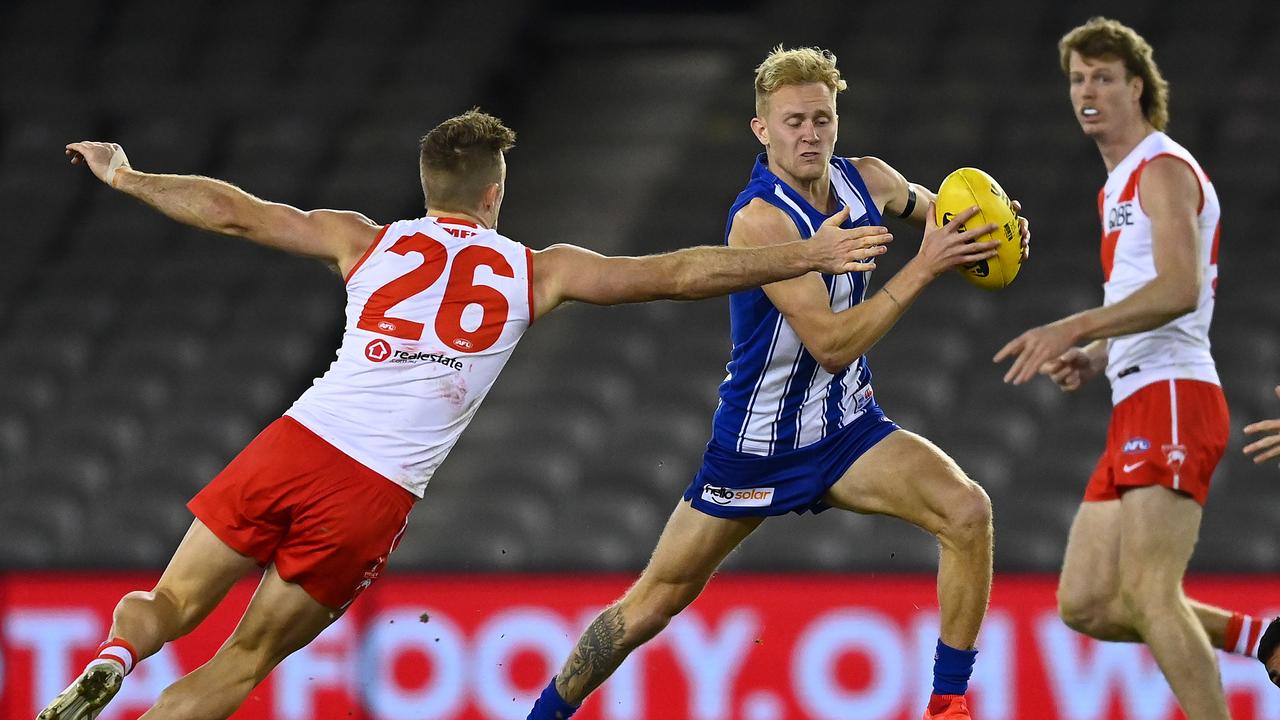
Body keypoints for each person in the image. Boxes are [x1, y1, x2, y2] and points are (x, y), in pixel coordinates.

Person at [42, 110, 892, 720]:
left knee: (168, 601)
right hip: (371, 492)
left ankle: (118, 655)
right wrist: (804, 252)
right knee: (245, 658)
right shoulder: (535, 270)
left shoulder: (362, 239)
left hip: (296, 443)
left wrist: (128, 175)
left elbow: (233, 211)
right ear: (494, 193)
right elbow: (674, 271)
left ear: (428, 187)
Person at [529, 46, 1030, 720]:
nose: (810, 134)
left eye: (822, 118)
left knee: (967, 511)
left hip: (847, 432)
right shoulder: (759, 221)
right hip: (758, 446)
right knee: (655, 601)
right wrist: (925, 268)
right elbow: (829, 344)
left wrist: (992, 234)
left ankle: (947, 707)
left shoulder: (872, 181)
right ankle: (546, 713)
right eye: (792, 121)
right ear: (762, 129)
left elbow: (944, 216)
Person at [994, 17, 1267, 719]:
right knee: (1087, 603)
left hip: (1175, 393)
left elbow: (1180, 289)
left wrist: (1075, 323)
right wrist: (1095, 354)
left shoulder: (1162, 168)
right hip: (1137, 394)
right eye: (1078, 79)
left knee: (1150, 595)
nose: (1087, 91)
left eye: (1103, 77)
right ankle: (1263, 637)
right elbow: (1146, 296)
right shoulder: (1117, 185)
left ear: (1136, 87)